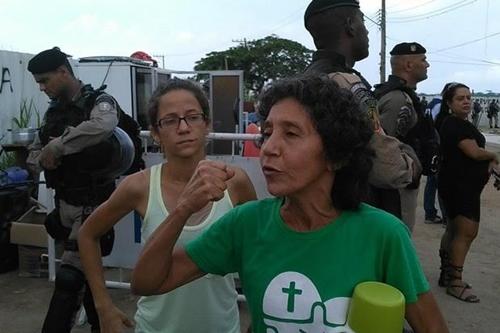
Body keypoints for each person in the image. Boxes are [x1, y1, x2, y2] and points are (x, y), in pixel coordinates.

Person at [131, 75, 449, 333]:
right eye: (267, 132)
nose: (269, 148)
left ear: (336, 153)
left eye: (291, 133)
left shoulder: (383, 234)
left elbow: (432, 327)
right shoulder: (246, 224)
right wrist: (183, 208)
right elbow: (147, 281)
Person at [78, 78, 257, 333]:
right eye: (170, 120)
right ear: (155, 132)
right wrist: (104, 307)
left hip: (221, 326)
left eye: (193, 117)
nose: (183, 128)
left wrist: (260, 312)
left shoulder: (234, 181)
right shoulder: (139, 186)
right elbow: (88, 234)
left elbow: (258, 249)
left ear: (206, 124)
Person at [26, 47, 132, 333]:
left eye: (45, 80)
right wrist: (44, 155)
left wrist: (60, 145)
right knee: (86, 279)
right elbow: (35, 154)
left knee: (70, 279)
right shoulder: (54, 112)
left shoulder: (99, 101)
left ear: (63, 71)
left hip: (93, 206)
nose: (42, 87)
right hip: (65, 205)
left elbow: (104, 125)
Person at [303, 0, 421, 219]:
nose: (366, 31)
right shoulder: (347, 83)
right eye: (363, 22)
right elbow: (386, 163)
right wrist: (412, 165)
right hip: (350, 212)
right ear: (350, 26)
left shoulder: (305, 80)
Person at [436, 82, 498, 303]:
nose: (466, 101)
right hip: (461, 188)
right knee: (466, 232)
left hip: (455, 185)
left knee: (453, 230)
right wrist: (493, 156)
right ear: (449, 103)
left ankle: (447, 274)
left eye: (468, 97)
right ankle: (455, 282)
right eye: (460, 98)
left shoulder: (453, 123)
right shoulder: (455, 124)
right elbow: (473, 152)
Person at [373, 42, 432, 231]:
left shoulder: (402, 95)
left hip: (399, 183)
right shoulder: (398, 99)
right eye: (423, 60)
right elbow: (384, 148)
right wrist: (410, 171)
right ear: (408, 65)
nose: (427, 64)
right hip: (396, 188)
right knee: (399, 233)